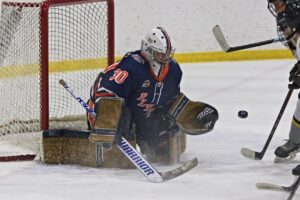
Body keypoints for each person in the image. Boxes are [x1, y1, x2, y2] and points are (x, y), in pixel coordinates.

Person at [86, 27, 218, 163]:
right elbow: (103, 93)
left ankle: (150, 144)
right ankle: (115, 153)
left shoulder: (174, 70)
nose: (165, 58)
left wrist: (184, 111)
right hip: (109, 117)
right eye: (160, 54)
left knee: (163, 149)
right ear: (147, 50)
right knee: (120, 123)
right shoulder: (130, 67)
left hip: (143, 116)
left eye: (168, 54)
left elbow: (169, 101)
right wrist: (107, 122)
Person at [267, 0, 300, 162]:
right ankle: (295, 142)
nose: (276, 8)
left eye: (279, 2)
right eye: (273, 5)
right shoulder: (284, 17)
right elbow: (294, 45)